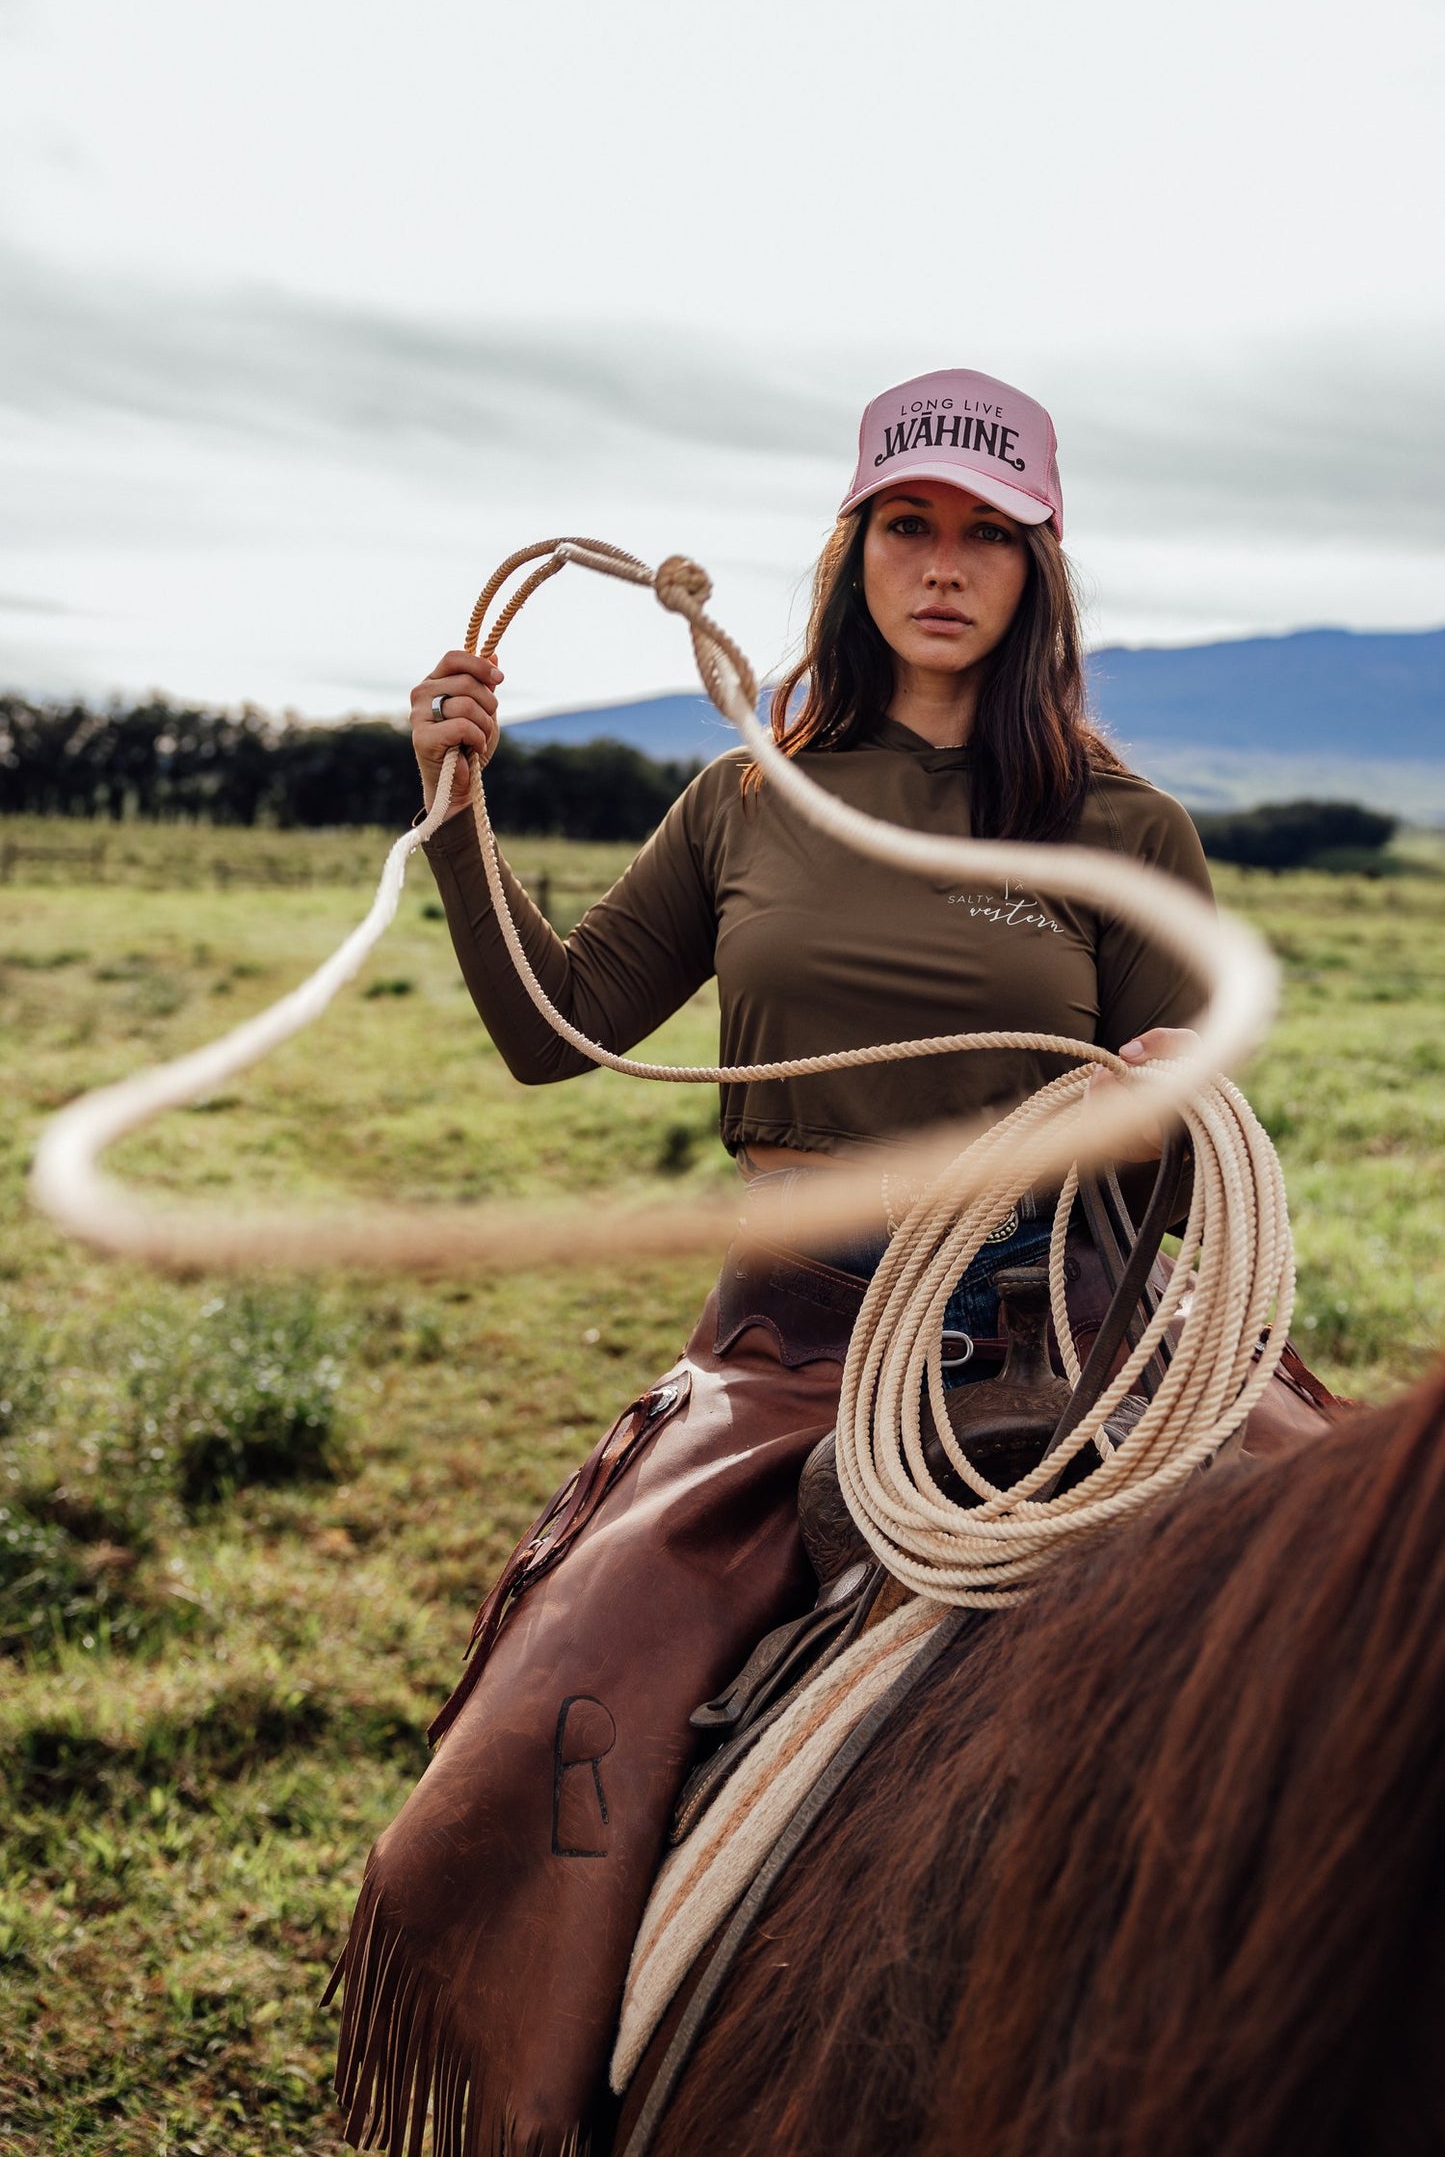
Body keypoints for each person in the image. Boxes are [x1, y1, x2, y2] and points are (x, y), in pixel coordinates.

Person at [326, 368, 1213, 2157]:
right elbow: (558, 1030)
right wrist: (458, 814)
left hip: (1068, 1329)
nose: (944, 566)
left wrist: (1136, 1106)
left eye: (988, 536)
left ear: (1041, 571)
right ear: (856, 549)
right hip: (796, 1333)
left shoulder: (1120, 831)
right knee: (566, 1699)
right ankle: (547, 2100)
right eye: (912, 525)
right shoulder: (749, 800)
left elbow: (1191, 1150)